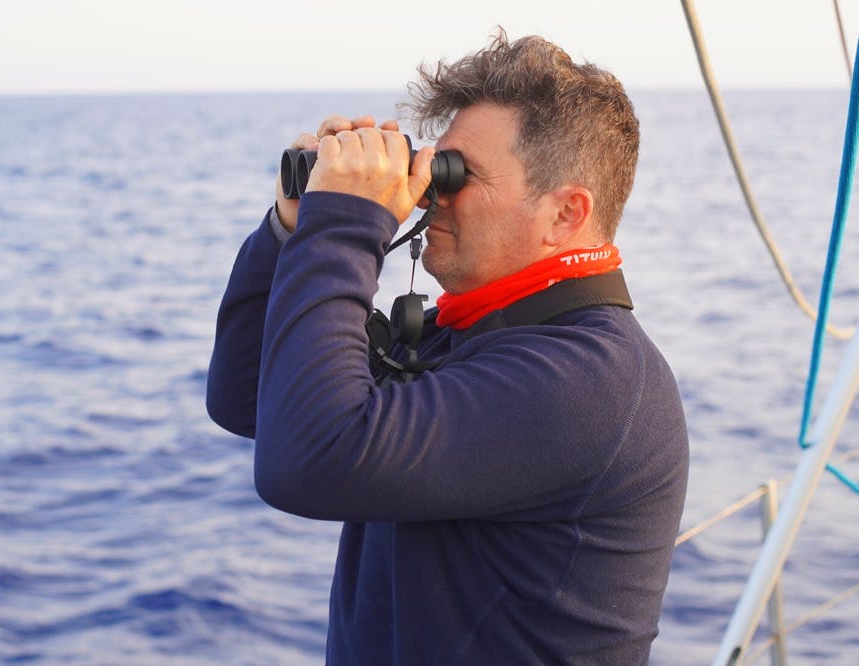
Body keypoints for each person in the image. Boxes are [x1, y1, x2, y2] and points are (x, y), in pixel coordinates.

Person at [206, 30, 688, 665]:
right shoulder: (474, 334)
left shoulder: (591, 379)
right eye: (437, 166)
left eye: (462, 174)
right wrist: (295, 227)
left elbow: (304, 463)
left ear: (565, 214)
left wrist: (346, 220)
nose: (433, 192)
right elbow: (247, 401)